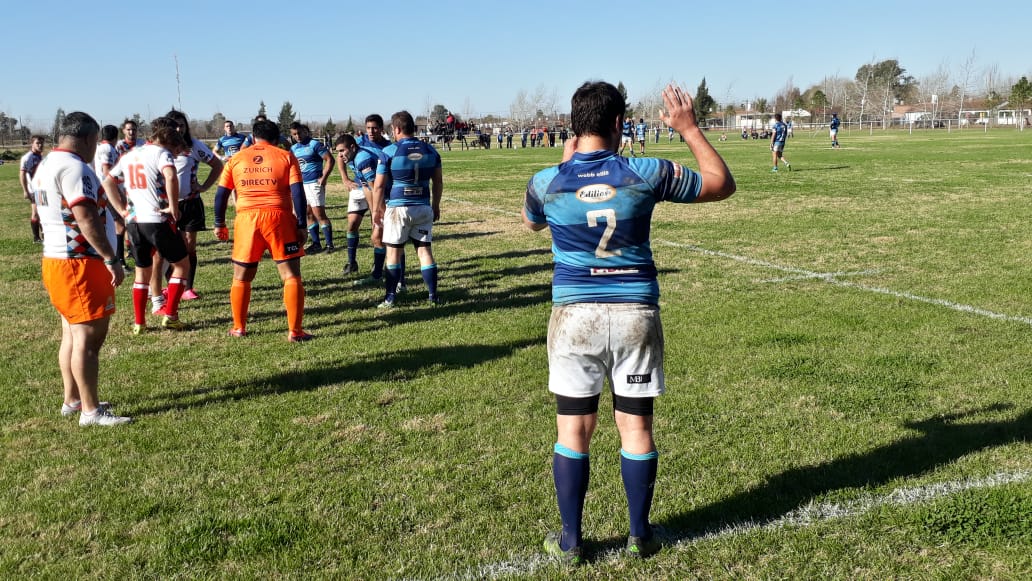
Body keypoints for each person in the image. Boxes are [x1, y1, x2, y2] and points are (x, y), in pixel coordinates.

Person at [522, 81, 735, 564]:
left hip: (575, 317)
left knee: (573, 430)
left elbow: (531, 221)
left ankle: (571, 541)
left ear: (573, 126)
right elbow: (721, 183)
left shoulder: (546, 181)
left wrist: (564, 166)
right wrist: (688, 128)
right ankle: (641, 535)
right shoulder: (646, 172)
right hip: (635, 314)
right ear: (620, 123)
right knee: (635, 427)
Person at [33, 111, 130, 426]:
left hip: (58, 260)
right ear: (89, 138)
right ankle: (90, 411)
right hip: (78, 263)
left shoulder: (47, 164)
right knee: (88, 338)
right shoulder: (75, 168)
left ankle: (73, 400)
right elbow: (85, 217)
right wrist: (111, 258)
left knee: (71, 334)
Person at [212, 119, 313, 342]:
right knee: (291, 276)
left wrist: (219, 223)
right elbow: (298, 193)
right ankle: (295, 331)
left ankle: (239, 327)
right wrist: (301, 225)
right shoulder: (286, 156)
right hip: (279, 219)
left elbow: (221, 195)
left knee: (241, 277)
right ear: (276, 139)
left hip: (247, 221)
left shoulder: (236, 159)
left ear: (253, 137)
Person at [103, 117, 191, 333]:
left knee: (142, 272)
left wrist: (122, 210)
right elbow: (171, 176)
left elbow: (108, 181)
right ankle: (171, 316)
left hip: (134, 221)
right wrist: (173, 207)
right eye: (176, 151)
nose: (175, 155)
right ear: (168, 143)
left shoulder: (130, 155)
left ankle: (139, 323)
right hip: (156, 219)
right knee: (182, 265)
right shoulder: (161, 153)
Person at [371, 111, 443, 308]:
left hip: (398, 208)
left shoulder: (389, 151)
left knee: (393, 253)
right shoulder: (431, 150)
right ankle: (433, 296)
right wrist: (436, 205)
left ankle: (390, 298)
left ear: (397, 129)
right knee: (424, 251)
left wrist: (376, 210)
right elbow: (438, 182)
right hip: (423, 206)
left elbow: (378, 186)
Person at [166, 109, 223, 300]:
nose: (178, 129)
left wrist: (203, 186)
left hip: (190, 203)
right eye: (175, 126)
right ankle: (170, 284)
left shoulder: (194, 146)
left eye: (182, 125)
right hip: (166, 205)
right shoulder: (160, 148)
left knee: (189, 246)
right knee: (169, 246)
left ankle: (187, 287)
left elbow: (217, 165)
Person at [290, 122, 335, 254]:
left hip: (314, 184)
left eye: (299, 133)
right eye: (294, 134)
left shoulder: (314, 144)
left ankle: (329, 245)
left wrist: (323, 177)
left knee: (319, 214)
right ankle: (316, 244)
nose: (297, 136)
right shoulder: (293, 148)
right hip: (301, 185)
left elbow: (330, 159)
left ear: (305, 131)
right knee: (308, 214)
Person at [93, 125, 126, 266]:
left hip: (102, 189)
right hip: (107, 191)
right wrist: (117, 191)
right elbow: (107, 171)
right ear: (116, 136)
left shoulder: (100, 147)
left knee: (111, 223)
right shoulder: (108, 149)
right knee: (120, 224)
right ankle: (119, 259)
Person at [19, 135, 45, 243]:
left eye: (42, 143)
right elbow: (22, 174)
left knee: (43, 212)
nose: (40, 145)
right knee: (36, 212)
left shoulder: (40, 157)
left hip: (42, 189)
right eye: (37, 143)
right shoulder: (27, 157)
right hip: (34, 190)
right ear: (32, 144)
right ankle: (36, 238)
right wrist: (25, 190)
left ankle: (44, 236)